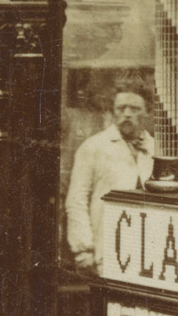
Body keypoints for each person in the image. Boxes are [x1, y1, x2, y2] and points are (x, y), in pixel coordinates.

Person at [65, 89, 155, 270]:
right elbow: (76, 200)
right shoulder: (93, 147)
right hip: (106, 248)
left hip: (149, 250)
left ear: (147, 112)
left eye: (135, 109)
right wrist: (83, 249)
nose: (127, 114)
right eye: (121, 108)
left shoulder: (156, 149)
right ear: (113, 111)